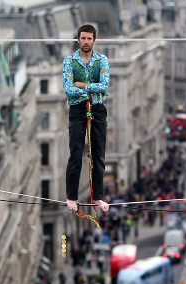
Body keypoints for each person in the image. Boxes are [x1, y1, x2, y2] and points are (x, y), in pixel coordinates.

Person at [63, 24, 110, 213]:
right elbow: (68, 88)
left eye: (89, 39)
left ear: (94, 41)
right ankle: (71, 196)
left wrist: (81, 85)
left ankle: (98, 196)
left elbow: (104, 86)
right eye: (83, 38)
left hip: (97, 109)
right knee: (76, 152)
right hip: (77, 109)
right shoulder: (69, 61)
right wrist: (92, 87)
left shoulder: (102, 60)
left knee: (98, 153)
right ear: (78, 39)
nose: (86, 42)